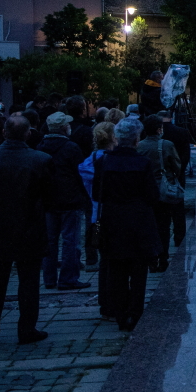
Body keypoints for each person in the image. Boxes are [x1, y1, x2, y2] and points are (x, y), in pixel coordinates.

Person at [0, 114, 52, 345]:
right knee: (28, 283)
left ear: (4, 132)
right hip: (29, 227)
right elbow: (49, 195)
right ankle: (27, 328)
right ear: (28, 134)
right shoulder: (41, 160)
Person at [95, 118, 163, 330]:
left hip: (113, 219)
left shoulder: (104, 161)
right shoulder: (142, 163)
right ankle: (135, 312)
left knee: (116, 268)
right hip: (138, 220)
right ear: (136, 138)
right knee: (138, 269)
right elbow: (153, 196)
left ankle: (120, 313)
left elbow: (98, 193)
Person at [36, 112, 91, 290]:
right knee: (70, 240)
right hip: (70, 198)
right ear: (63, 128)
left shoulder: (41, 147)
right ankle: (68, 277)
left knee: (50, 241)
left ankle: (49, 278)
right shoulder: (71, 148)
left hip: (48, 199)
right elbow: (80, 173)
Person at [79, 122, 116, 316]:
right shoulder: (113, 161)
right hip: (111, 215)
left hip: (96, 214)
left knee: (104, 261)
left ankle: (105, 301)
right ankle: (114, 300)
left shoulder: (89, 161)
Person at [136, 116, 182, 273]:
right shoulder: (167, 145)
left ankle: (151, 259)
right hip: (163, 191)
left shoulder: (139, 146)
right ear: (158, 129)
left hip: (144, 191)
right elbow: (177, 166)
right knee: (164, 226)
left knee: (149, 226)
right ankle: (163, 258)